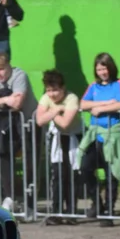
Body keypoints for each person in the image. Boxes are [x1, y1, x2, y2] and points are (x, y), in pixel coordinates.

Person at [78, 52, 120, 226]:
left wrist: (101, 109)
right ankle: (97, 203)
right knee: (85, 167)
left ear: (111, 68)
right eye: (99, 69)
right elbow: (83, 104)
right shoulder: (93, 87)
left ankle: (109, 210)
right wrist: (105, 104)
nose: (102, 72)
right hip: (96, 135)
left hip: (113, 135)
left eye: (105, 68)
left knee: (111, 173)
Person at [0, 52, 37, 212]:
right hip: (7, 124)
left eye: (1, 69)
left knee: (30, 162)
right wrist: (6, 99)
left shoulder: (19, 75)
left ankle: (30, 202)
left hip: (28, 123)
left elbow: (18, 104)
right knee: (5, 159)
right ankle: (10, 197)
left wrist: (0, 100)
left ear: (9, 66)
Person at [36, 69, 83, 224]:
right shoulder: (46, 98)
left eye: (55, 90)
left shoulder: (72, 98)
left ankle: (71, 213)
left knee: (71, 176)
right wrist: (56, 110)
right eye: (49, 90)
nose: (52, 94)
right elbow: (39, 120)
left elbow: (65, 123)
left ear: (63, 88)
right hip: (56, 139)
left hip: (73, 139)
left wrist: (51, 113)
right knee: (57, 176)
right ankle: (56, 212)